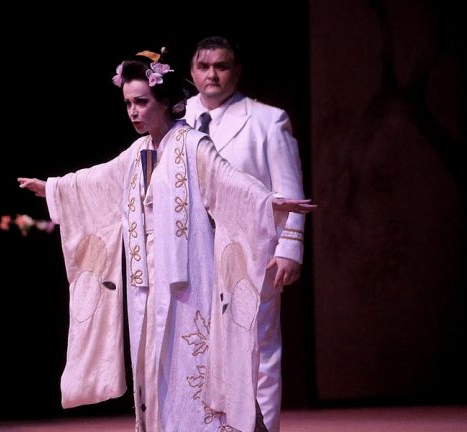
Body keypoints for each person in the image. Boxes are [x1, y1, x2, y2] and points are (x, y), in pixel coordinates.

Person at [18, 49, 314, 432]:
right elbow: (98, 181)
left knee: (193, 365)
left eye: (142, 102)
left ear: (165, 102)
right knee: (154, 367)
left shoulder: (192, 144)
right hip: (146, 283)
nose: (133, 111)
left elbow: (228, 183)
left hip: (188, 280)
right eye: (128, 103)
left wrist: (270, 203)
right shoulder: (138, 152)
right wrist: (54, 188)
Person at [182, 36, 307, 432]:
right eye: (204, 67)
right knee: (196, 344)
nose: (212, 75)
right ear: (191, 72)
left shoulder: (267, 120)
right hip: (192, 251)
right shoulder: (177, 118)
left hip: (251, 250)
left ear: (236, 71)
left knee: (257, 347)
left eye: (221, 66)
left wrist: (289, 247)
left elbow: (288, 188)